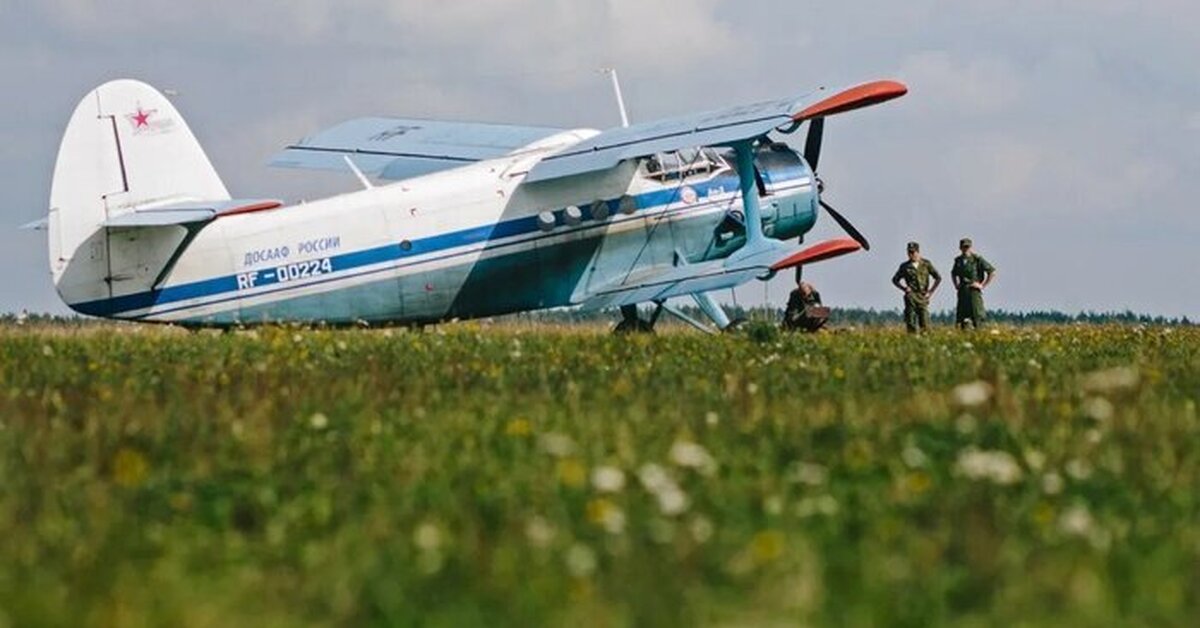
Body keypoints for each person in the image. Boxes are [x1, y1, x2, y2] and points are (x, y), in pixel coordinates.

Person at [892, 241, 941, 334]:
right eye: (909, 252)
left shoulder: (926, 264)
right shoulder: (904, 266)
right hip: (911, 297)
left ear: (918, 252)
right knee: (911, 323)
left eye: (913, 252)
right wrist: (904, 288)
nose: (911, 254)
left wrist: (930, 292)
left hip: (922, 296)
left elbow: (938, 278)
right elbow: (895, 280)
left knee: (925, 323)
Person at [951, 237, 997, 329]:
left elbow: (992, 272)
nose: (966, 249)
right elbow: (953, 273)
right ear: (960, 248)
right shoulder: (958, 260)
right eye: (964, 247)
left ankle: (979, 333)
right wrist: (956, 285)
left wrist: (982, 285)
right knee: (962, 316)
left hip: (973, 291)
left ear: (971, 247)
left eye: (967, 247)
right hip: (963, 290)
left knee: (977, 315)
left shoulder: (977, 259)